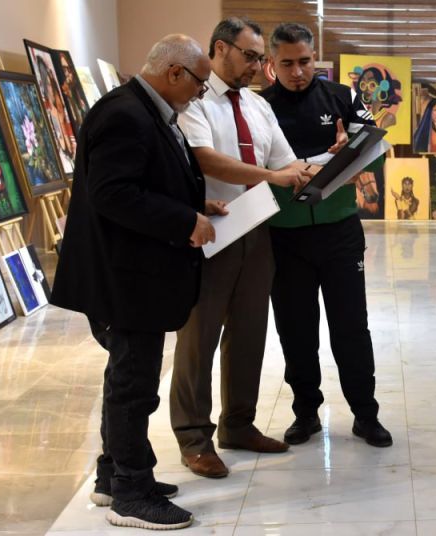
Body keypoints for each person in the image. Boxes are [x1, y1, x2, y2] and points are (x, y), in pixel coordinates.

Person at [50, 34, 218, 530]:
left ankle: (112, 475)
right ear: (174, 73)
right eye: (199, 84)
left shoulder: (141, 109)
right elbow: (114, 194)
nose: (200, 94)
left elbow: (145, 181)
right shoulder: (125, 113)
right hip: (125, 278)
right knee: (133, 386)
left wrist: (194, 204)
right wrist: (184, 221)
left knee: (126, 378)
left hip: (133, 274)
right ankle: (131, 493)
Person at [170, 17, 314, 479]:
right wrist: (273, 176)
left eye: (259, 58)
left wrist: (329, 162)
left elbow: (286, 162)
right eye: (249, 56)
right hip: (209, 232)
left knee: (249, 333)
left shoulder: (257, 106)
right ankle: (194, 438)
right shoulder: (194, 100)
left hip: (256, 230)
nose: (257, 66)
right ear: (220, 49)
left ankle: (238, 424)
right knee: (199, 340)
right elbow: (205, 159)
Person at [259, 22, 392, 447]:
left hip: (339, 232)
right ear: (271, 63)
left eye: (305, 61)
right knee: (295, 330)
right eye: (287, 64)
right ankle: (305, 413)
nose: (298, 71)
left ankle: (366, 414)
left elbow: (374, 154)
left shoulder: (343, 98)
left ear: (315, 57)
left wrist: (346, 155)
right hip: (284, 236)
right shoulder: (260, 107)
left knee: (351, 326)